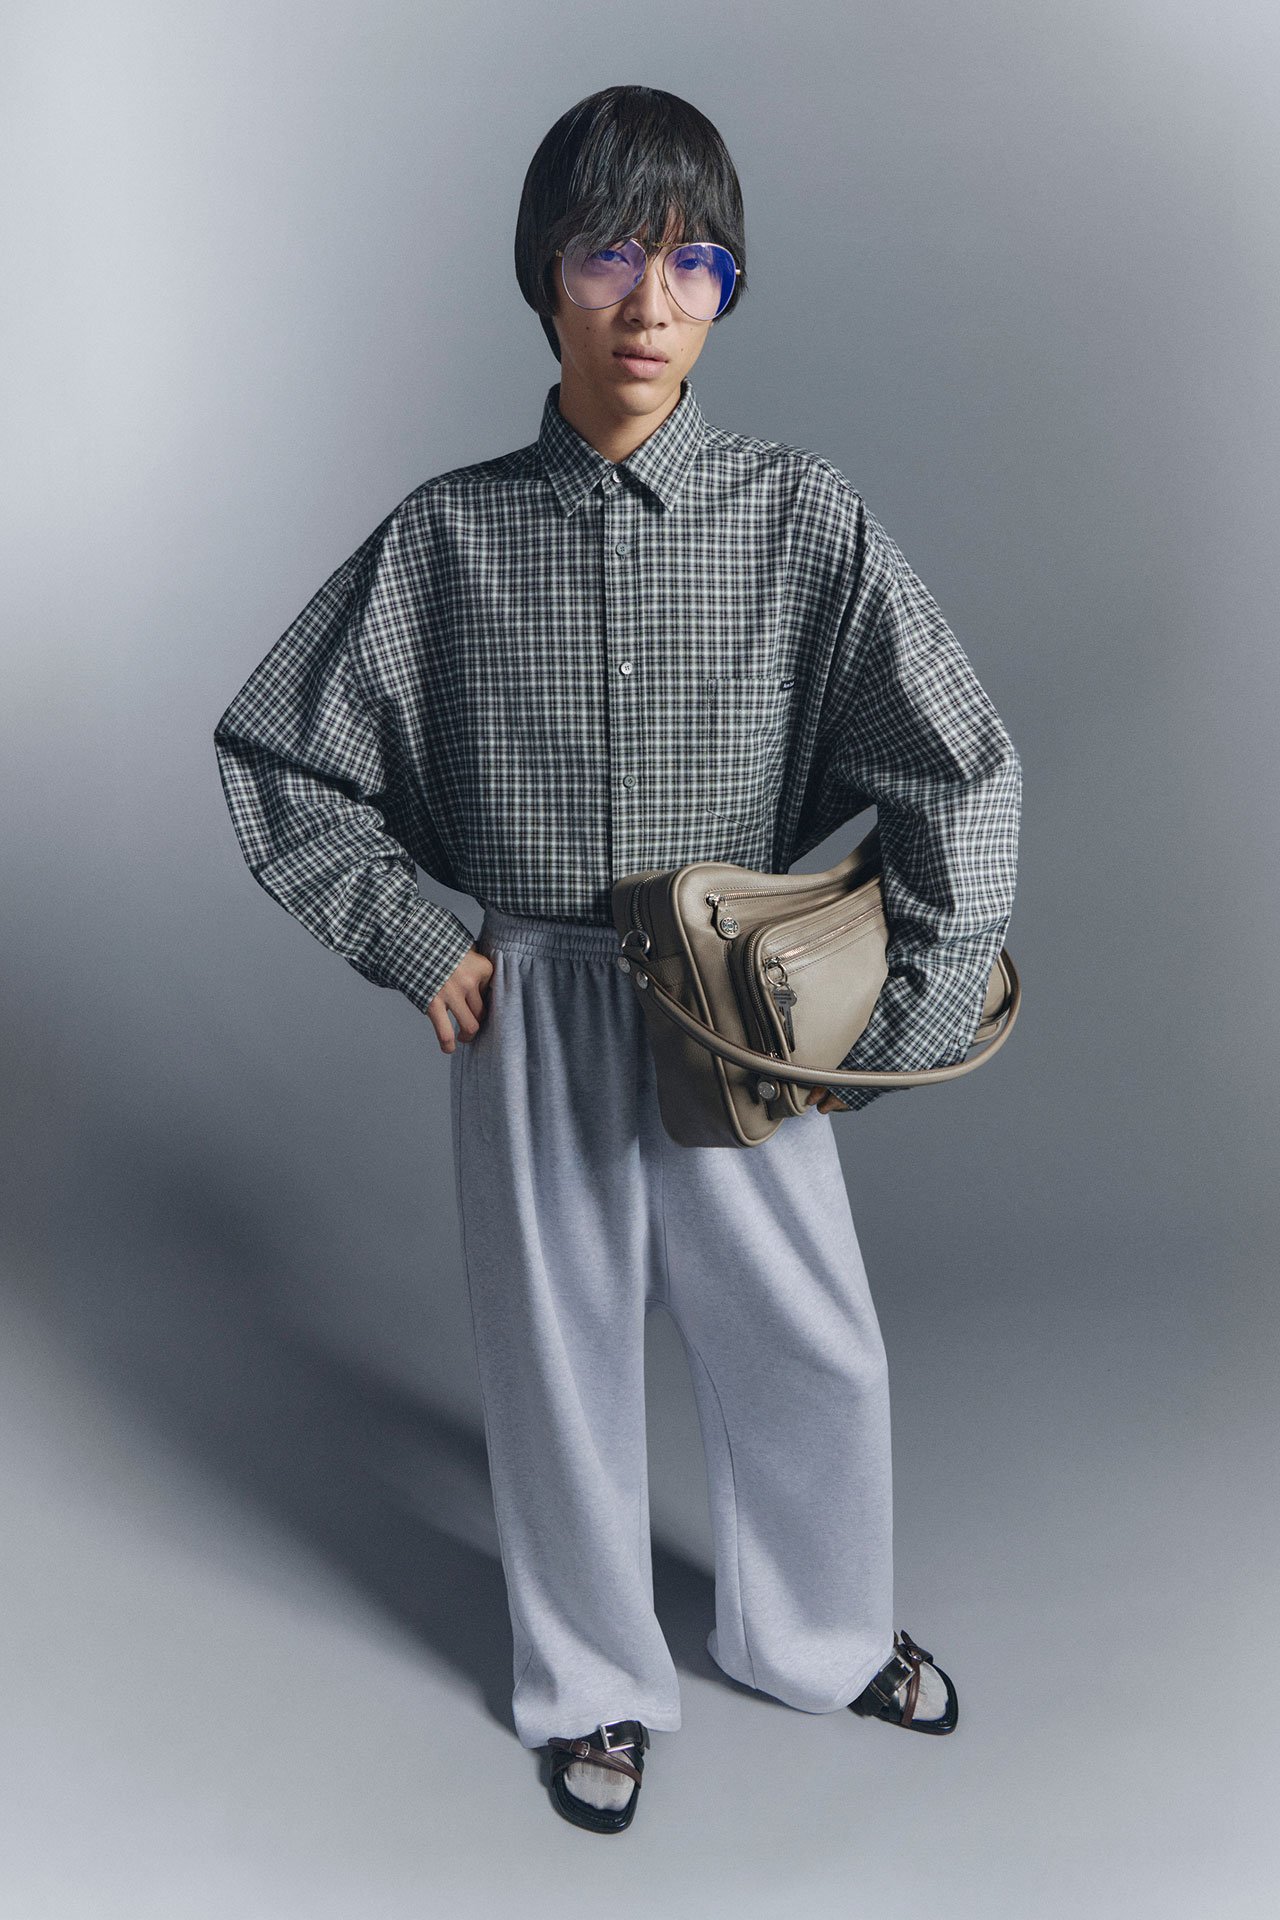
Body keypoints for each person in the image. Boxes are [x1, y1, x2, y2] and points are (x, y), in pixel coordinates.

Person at [213, 84, 1021, 1836]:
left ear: (728, 289)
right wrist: (412, 930)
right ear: (544, 277)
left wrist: (915, 998)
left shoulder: (802, 518)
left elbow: (959, 759)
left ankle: (815, 1635)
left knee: (813, 1340)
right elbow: (279, 749)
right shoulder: (446, 539)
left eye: (694, 262)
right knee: (558, 1354)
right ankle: (587, 1680)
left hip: (741, 998)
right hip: (539, 999)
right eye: (608, 255)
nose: (650, 305)